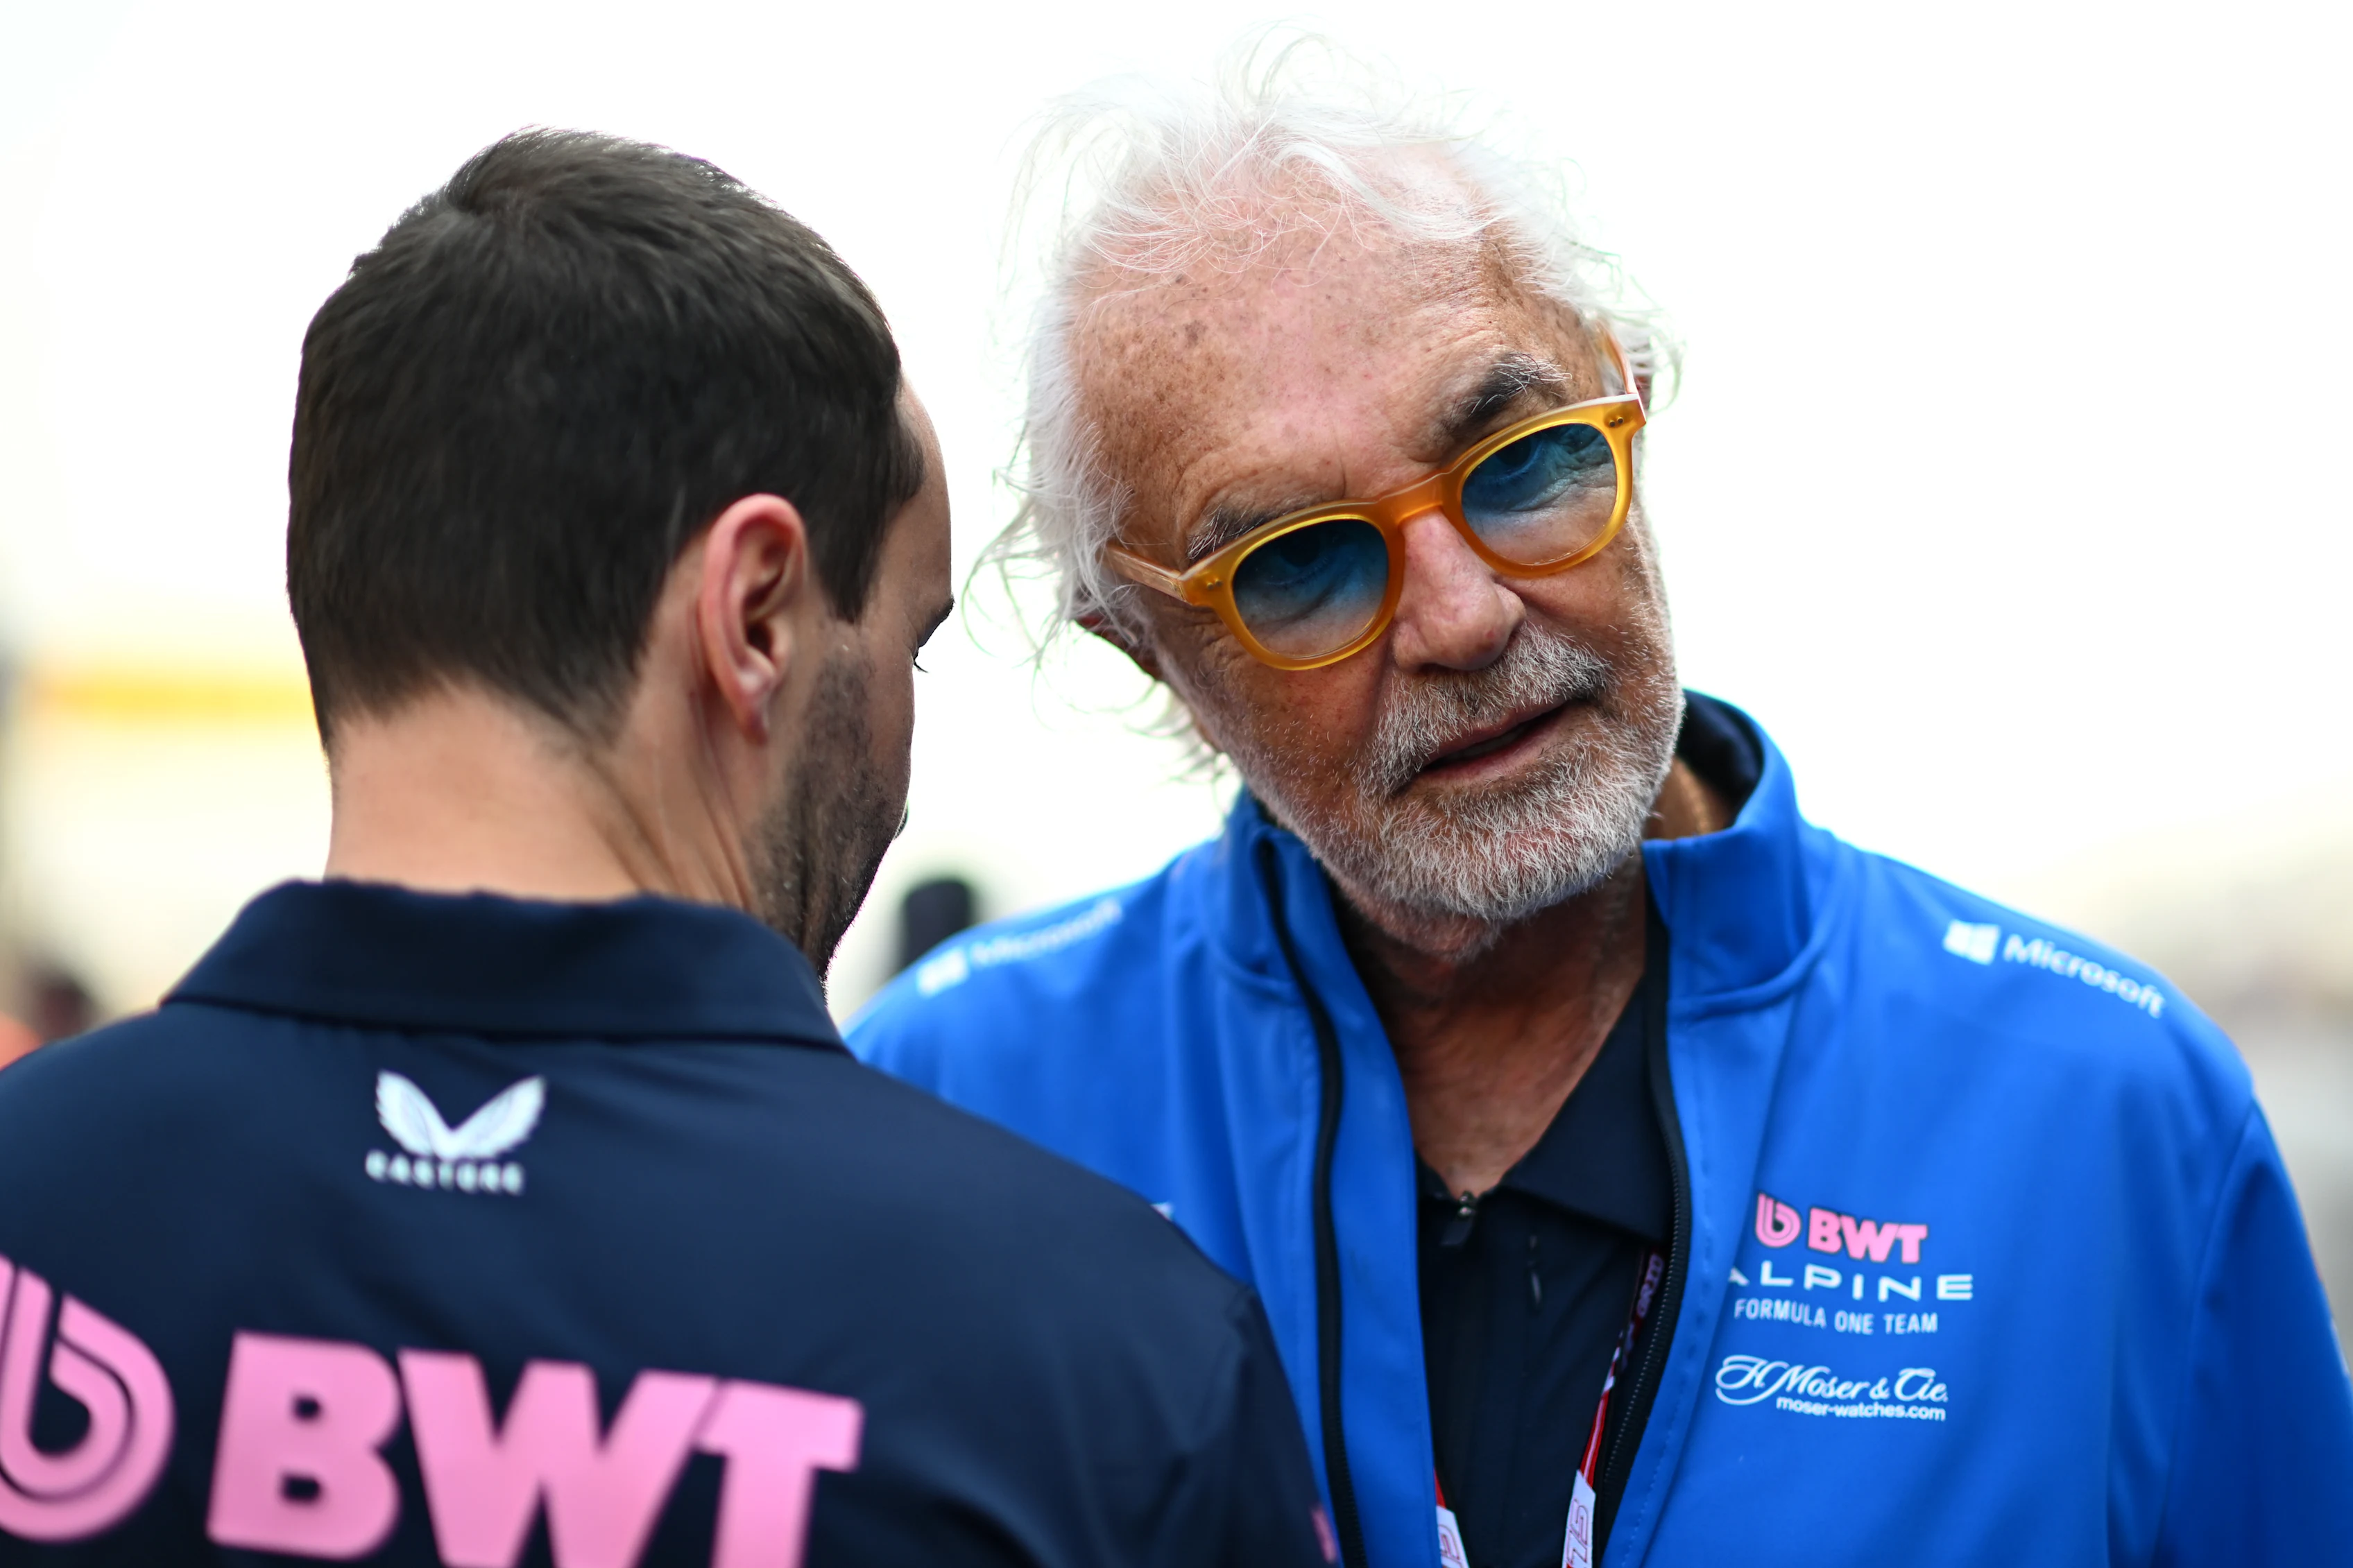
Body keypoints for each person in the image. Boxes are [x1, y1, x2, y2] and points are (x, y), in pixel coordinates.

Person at [850, 52, 2353, 1568]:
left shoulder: (2107, 1112)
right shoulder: (950, 1111)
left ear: (1626, 403)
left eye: (1523, 465)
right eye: (1301, 563)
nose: (1463, 617)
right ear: (1147, 649)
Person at [0, 130, 1332, 1567]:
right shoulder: (1102, 1364)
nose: (900, 751)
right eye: (907, 647)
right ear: (756, 615)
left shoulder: (38, 1215)